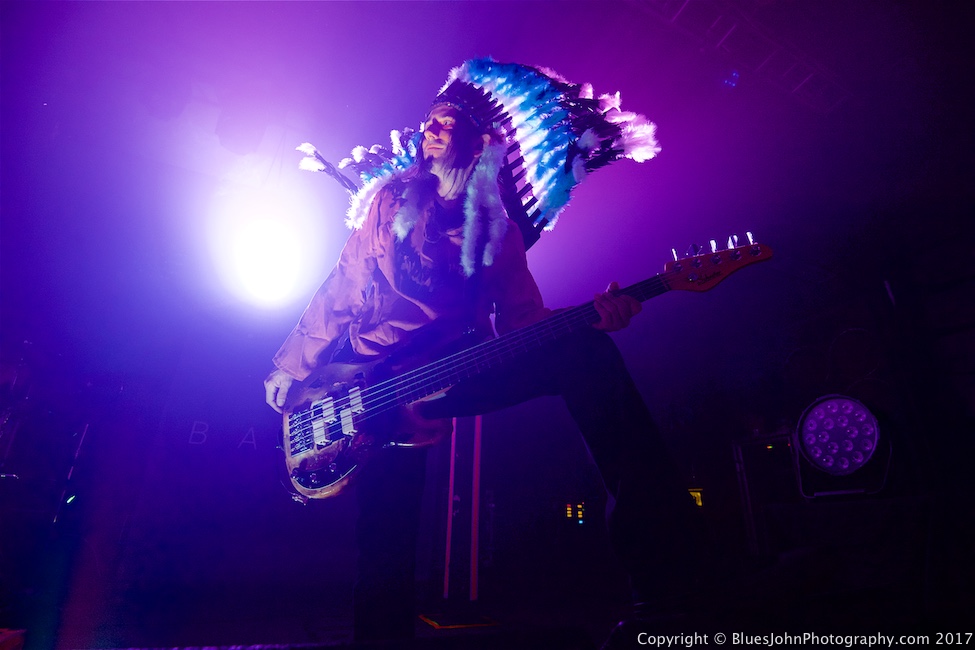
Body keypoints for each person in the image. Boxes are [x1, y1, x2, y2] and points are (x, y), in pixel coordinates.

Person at [264, 59, 702, 646]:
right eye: (428, 121)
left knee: (586, 353)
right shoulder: (390, 202)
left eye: (447, 121)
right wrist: (292, 365)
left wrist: (594, 319)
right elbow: (342, 287)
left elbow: (525, 322)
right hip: (366, 377)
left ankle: (666, 590)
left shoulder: (497, 227)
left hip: (451, 370)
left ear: (478, 141)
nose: (432, 129)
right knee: (386, 534)